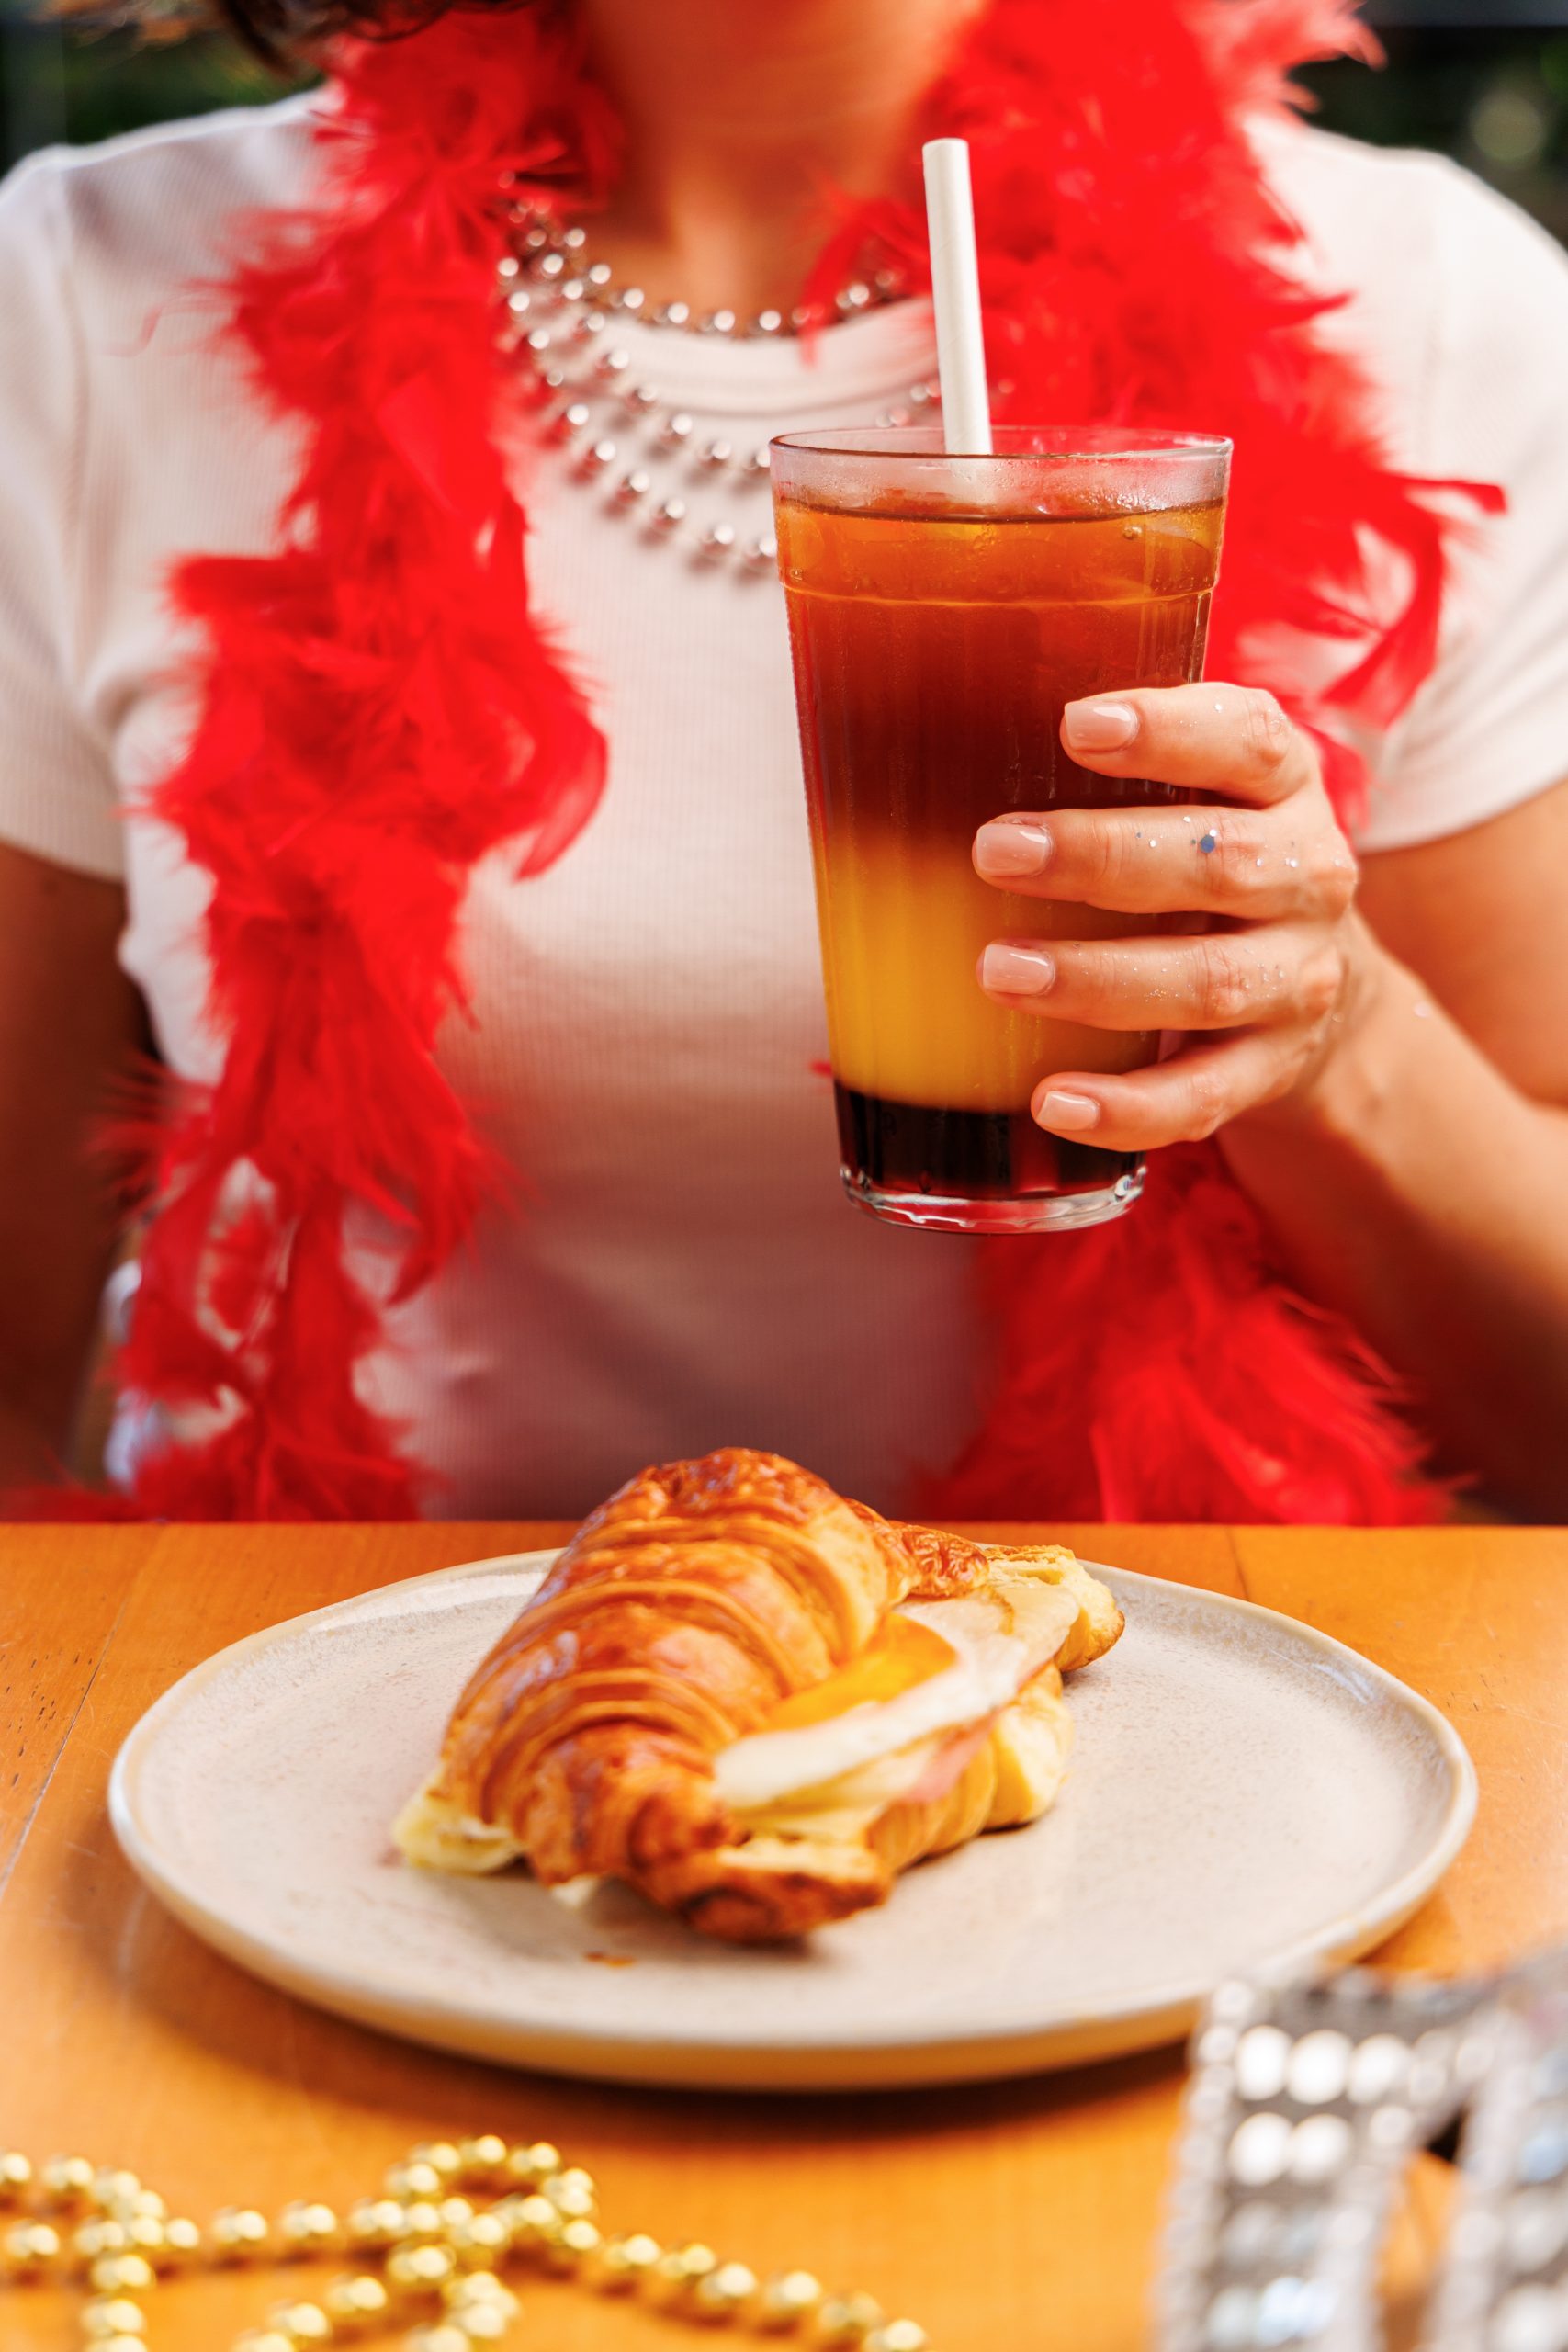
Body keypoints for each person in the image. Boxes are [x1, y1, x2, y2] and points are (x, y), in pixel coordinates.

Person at [3, 0, 1568, 1525]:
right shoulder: (86, 296)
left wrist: (1334, 1039)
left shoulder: (1427, 303)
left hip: (1135, 1689)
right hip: (332, 1676)